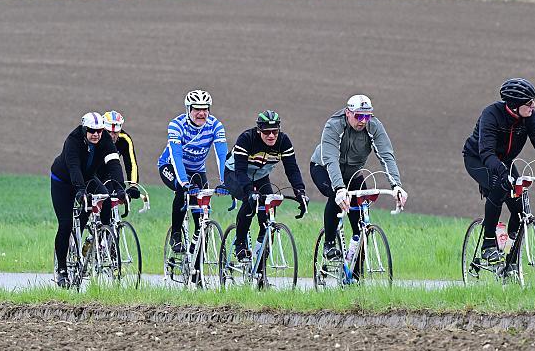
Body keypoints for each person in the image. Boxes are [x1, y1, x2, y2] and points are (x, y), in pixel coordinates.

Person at [462, 78, 535, 264]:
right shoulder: (491, 114)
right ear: (515, 105)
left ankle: (510, 255)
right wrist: (503, 175)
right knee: (499, 187)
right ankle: (488, 245)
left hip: (505, 161)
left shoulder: (530, 117)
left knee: (520, 207)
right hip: (478, 158)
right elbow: (486, 152)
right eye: (529, 102)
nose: (534, 105)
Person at [310, 95, 408, 260]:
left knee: (361, 222)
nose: (363, 121)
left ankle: (356, 273)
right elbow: (331, 159)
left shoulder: (374, 126)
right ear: (348, 113)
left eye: (367, 116)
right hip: (324, 168)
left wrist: (396, 186)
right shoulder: (334, 125)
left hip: (353, 173)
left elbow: (386, 156)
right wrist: (340, 188)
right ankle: (329, 245)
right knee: (336, 197)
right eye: (358, 116)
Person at [50, 112, 126, 288]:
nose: (96, 134)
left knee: (106, 197)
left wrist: (121, 189)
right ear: (84, 129)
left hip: (88, 178)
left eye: (99, 131)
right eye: (92, 131)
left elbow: (114, 162)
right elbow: (74, 167)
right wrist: (79, 190)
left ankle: (103, 237)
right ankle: (61, 269)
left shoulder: (105, 138)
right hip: (63, 181)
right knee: (66, 223)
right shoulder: (73, 140)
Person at [224, 110, 308, 261]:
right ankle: (240, 243)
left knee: (269, 210)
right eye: (267, 132)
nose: (271, 135)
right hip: (235, 174)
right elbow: (240, 171)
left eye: (275, 131)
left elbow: (292, 170)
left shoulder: (283, 141)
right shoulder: (247, 139)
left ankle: (261, 257)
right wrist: (249, 191)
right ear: (259, 130)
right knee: (250, 201)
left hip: (260, 177)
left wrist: (300, 192)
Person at [158, 90, 227, 253]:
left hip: (197, 170)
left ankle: (197, 262)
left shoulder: (216, 126)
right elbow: (176, 156)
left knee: (202, 213)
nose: (201, 113)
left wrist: (226, 181)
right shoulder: (177, 125)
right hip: (171, 166)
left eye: (205, 109)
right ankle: (176, 234)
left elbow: (222, 155)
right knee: (182, 192)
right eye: (197, 109)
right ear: (188, 109)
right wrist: (184, 182)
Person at [98, 110, 141, 199]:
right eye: (108, 131)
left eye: (115, 132)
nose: (111, 136)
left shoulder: (125, 139)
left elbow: (131, 163)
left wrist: (133, 185)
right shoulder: (96, 136)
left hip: (109, 173)